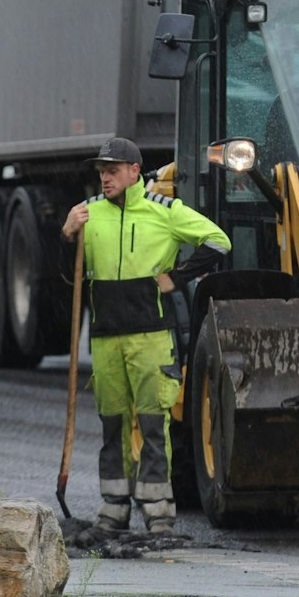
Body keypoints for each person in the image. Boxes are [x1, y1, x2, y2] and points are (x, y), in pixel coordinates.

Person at [61, 137, 229, 536]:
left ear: (135, 171)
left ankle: (158, 512)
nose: (105, 178)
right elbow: (70, 278)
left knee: (153, 426)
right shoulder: (87, 215)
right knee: (112, 427)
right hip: (105, 339)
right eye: (102, 171)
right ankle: (113, 510)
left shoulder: (164, 211)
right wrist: (67, 234)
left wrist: (177, 277)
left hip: (152, 337)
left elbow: (219, 241)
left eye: (113, 170)